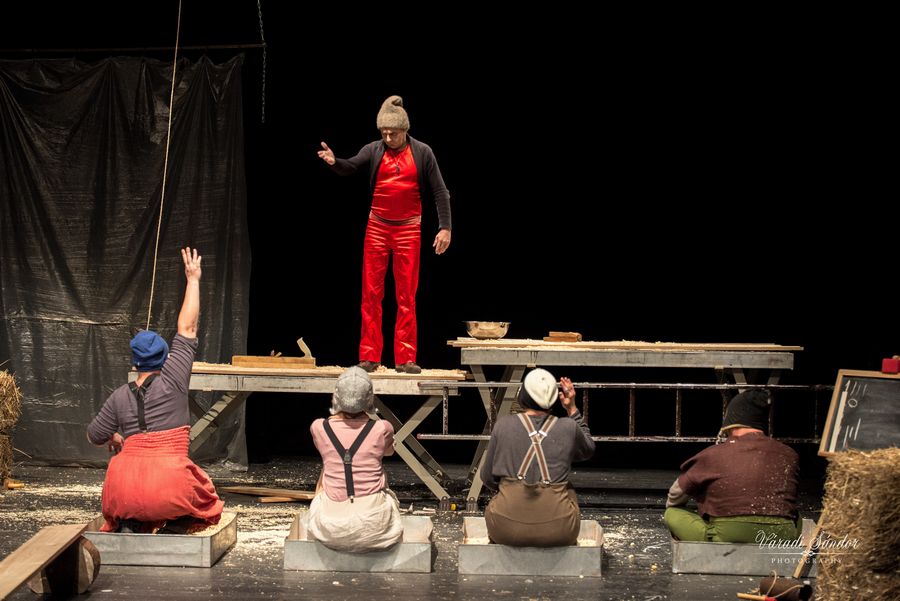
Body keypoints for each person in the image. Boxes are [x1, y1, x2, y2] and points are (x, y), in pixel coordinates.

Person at [87, 247, 223, 533]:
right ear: (165, 358)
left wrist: (114, 436)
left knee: (138, 488)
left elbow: (94, 435)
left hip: (121, 490)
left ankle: (130, 521)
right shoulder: (173, 379)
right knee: (203, 495)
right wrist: (193, 279)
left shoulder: (119, 396)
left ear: (134, 363)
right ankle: (175, 526)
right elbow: (187, 328)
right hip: (167, 487)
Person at [317, 95, 452, 375]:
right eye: (384, 133)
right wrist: (334, 161)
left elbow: (440, 191)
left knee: (406, 296)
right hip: (377, 228)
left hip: (409, 230)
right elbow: (351, 165)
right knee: (371, 294)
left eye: (393, 133)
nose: (388, 138)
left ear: (405, 130)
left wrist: (445, 227)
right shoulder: (374, 149)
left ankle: (405, 358)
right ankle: (369, 356)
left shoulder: (423, 152)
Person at [664, 389, 801, 542]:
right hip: (781, 536)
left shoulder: (714, 454)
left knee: (672, 512)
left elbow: (676, 493)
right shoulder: (789, 455)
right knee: (796, 516)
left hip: (729, 535)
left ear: (731, 423)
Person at [481, 368, 595, 546]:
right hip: (559, 531)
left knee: (502, 495)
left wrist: (511, 490)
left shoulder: (503, 425)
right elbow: (588, 449)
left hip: (505, 530)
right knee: (568, 489)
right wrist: (571, 408)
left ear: (523, 396)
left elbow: (487, 477)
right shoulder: (568, 427)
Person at [305, 366, 408, 552]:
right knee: (380, 476)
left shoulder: (319, 427)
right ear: (369, 399)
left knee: (327, 467)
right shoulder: (383, 428)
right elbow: (388, 452)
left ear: (336, 396)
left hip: (330, 529)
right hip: (374, 528)